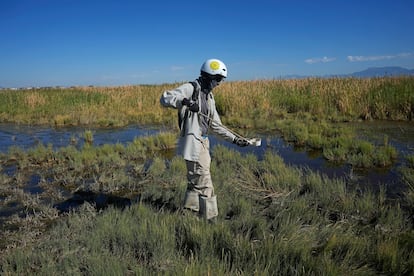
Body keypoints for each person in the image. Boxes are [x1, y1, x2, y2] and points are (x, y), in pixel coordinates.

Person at [160, 58, 250, 220]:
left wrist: (235, 140)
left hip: (203, 142)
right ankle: (210, 219)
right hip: (193, 143)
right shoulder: (191, 88)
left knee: (195, 180)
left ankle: (190, 212)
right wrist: (185, 101)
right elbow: (165, 98)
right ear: (208, 76)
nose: (219, 83)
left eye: (221, 80)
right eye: (217, 79)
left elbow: (216, 125)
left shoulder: (209, 97)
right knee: (205, 181)